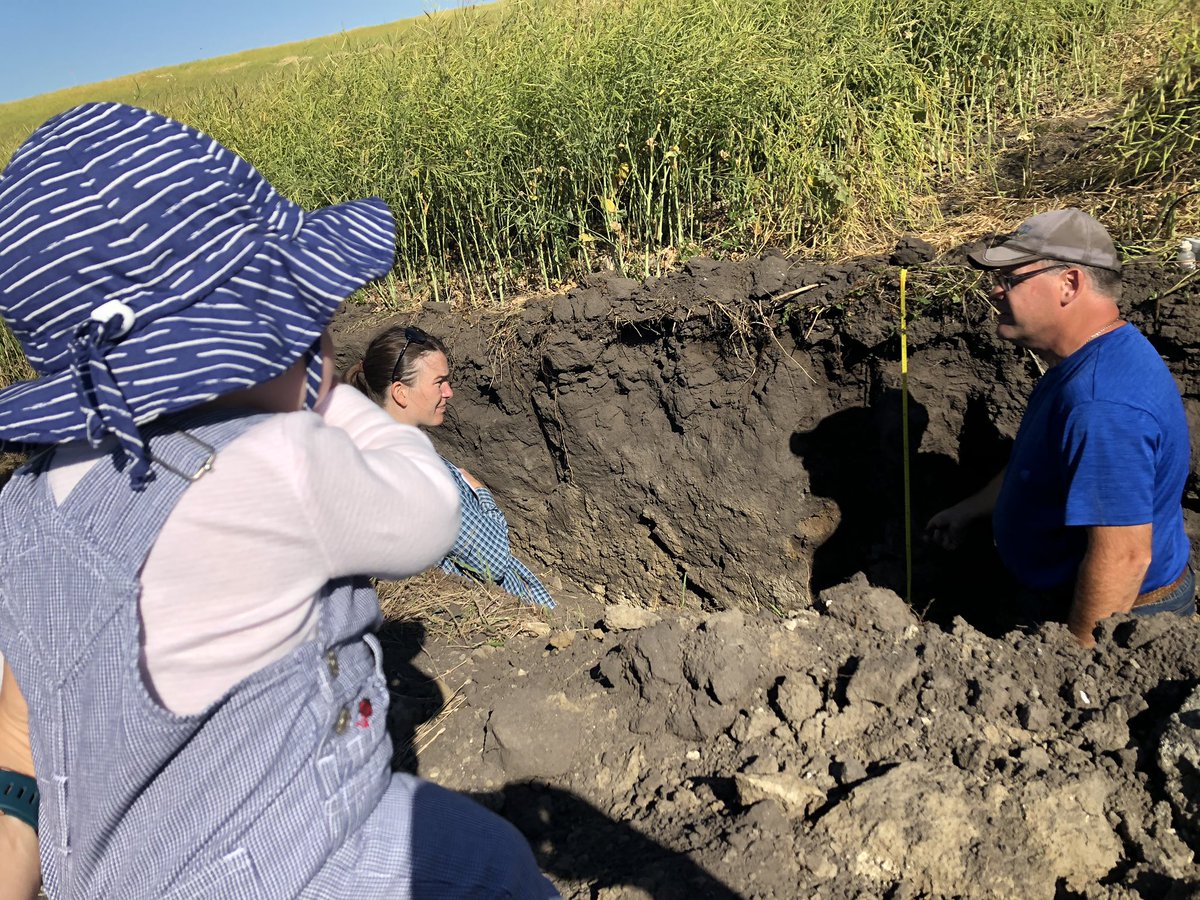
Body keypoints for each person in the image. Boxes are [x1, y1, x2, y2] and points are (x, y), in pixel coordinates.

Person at [0, 102, 558, 899]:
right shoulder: (280, 462)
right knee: (490, 864)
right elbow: (432, 511)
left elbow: (17, 733)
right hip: (296, 863)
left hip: (123, 879)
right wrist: (324, 396)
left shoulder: (22, 512)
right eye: (305, 320)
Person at [926, 207, 1194, 646]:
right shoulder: (1087, 360)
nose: (994, 290)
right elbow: (1040, 464)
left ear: (1069, 283)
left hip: (1122, 617)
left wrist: (1073, 662)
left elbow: (1124, 557)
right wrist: (970, 509)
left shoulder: (1102, 402)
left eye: (1010, 279)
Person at [346, 325, 556, 608]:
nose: (449, 392)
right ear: (401, 392)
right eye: (439, 382)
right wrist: (483, 496)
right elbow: (492, 560)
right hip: (497, 614)